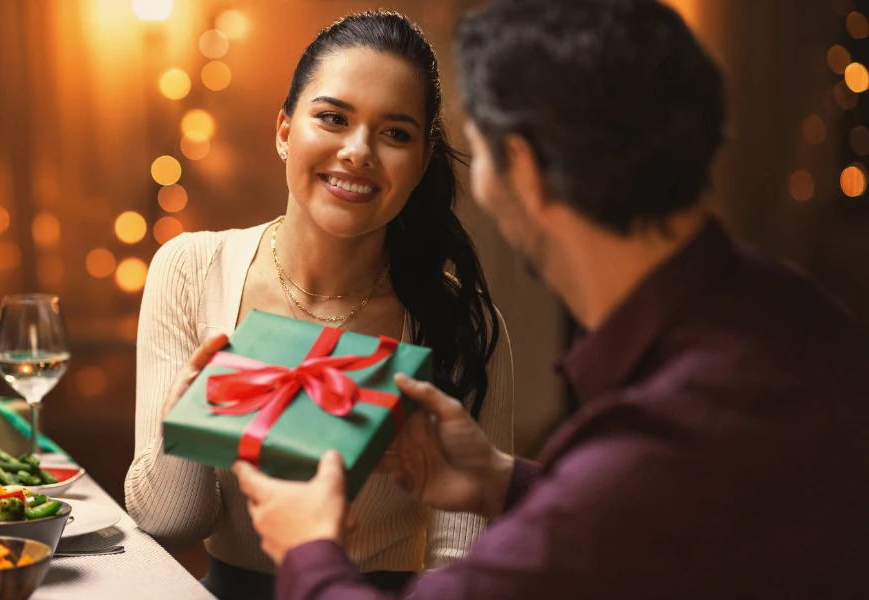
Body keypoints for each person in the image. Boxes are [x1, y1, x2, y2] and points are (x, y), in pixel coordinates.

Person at [216, 0, 868, 598]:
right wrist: (504, 481)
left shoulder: (646, 460)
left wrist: (308, 547)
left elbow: (615, 512)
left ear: (521, 168)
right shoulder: (791, 306)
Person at [124, 11, 515, 600]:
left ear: (422, 159)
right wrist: (186, 424)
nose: (358, 152)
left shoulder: (455, 321)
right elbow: (168, 523)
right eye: (333, 118)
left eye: (395, 133)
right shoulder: (189, 271)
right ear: (284, 130)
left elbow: (461, 565)